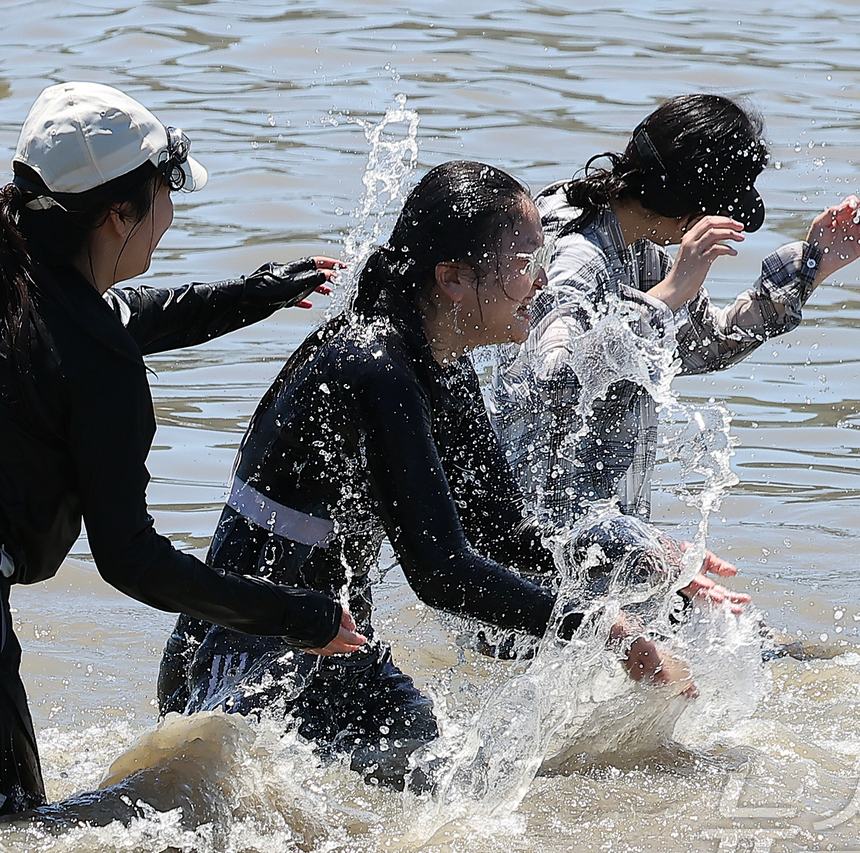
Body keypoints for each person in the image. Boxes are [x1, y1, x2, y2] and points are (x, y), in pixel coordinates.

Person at [0, 81, 366, 830]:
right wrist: (297, 616)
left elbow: (119, 315)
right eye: (169, 187)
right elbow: (132, 560)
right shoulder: (100, 367)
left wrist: (258, 292)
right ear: (116, 215)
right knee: (7, 852)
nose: (172, 212)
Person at [157, 161, 693, 791]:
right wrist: (601, 628)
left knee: (466, 790)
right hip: (242, 664)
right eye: (524, 263)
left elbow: (504, 537)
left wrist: (645, 565)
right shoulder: (372, 367)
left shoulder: (440, 367)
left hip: (337, 656)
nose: (543, 282)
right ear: (453, 279)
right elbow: (440, 573)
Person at [491, 94, 860, 614]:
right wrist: (669, 294)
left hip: (602, 538)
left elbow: (699, 347)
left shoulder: (633, 236)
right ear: (688, 199)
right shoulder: (576, 247)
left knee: (744, 649)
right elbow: (550, 372)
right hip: (543, 548)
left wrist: (811, 267)